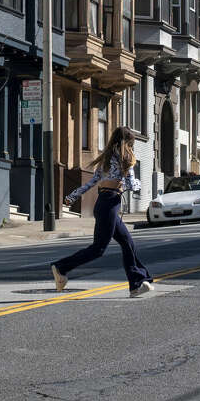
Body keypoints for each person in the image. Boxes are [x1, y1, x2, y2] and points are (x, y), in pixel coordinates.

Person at [50, 126, 154, 298]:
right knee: (98, 248)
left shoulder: (105, 159)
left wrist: (72, 196)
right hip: (110, 204)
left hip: (103, 204)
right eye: (131, 143)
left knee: (127, 243)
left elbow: (91, 183)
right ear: (127, 142)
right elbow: (131, 184)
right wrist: (138, 185)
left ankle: (136, 284)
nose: (132, 146)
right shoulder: (126, 158)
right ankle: (61, 267)